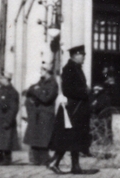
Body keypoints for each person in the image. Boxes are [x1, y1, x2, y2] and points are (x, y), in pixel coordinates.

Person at [49, 45, 92, 175]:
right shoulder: (69, 69)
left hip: (77, 109)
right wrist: (85, 92)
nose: (84, 57)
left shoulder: (76, 68)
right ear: (75, 55)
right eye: (82, 55)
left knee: (75, 138)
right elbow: (68, 90)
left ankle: (75, 166)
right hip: (71, 110)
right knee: (67, 137)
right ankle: (54, 162)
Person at [24, 69, 59, 165]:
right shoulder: (41, 82)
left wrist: (37, 91)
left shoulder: (53, 84)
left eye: (43, 70)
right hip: (37, 113)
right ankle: (36, 160)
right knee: (35, 138)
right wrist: (37, 91)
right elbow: (29, 90)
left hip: (45, 114)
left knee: (43, 139)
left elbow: (47, 98)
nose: (40, 72)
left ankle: (45, 160)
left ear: (48, 71)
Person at [0, 73, 20, 165]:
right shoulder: (1, 90)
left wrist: (8, 121)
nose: (0, 79)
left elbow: (13, 108)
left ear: (7, 79)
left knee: (6, 141)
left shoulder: (13, 92)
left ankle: (7, 158)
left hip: (6, 119)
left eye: (2, 78)